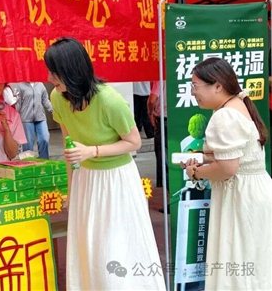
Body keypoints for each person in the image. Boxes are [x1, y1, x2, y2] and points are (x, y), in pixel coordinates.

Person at [44, 38, 165, 290]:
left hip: (116, 180)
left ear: (71, 70)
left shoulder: (110, 100)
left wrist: (93, 151)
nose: (49, 78)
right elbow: (70, 148)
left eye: (53, 72)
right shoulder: (57, 97)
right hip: (86, 179)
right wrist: (71, 190)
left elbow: (133, 142)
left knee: (115, 246)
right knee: (89, 245)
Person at [182, 57, 272, 289]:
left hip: (240, 196)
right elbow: (233, 157)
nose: (193, 92)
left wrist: (196, 173)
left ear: (218, 86)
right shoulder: (236, 105)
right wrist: (202, 159)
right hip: (252, 192)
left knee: (236, 260)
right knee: (253, 263)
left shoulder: (224, 116)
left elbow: (227, 168)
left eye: (195, 86)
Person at [13, 82, 53, 158]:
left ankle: (44, 160)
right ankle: (28, 162)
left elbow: (45, 100)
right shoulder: (20, 85)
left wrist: (53, 110)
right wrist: (15, 117)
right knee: (28, 144)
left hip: (40, 117)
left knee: (44, 139)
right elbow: (18, 103)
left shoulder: (40, 84)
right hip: (26, 119)